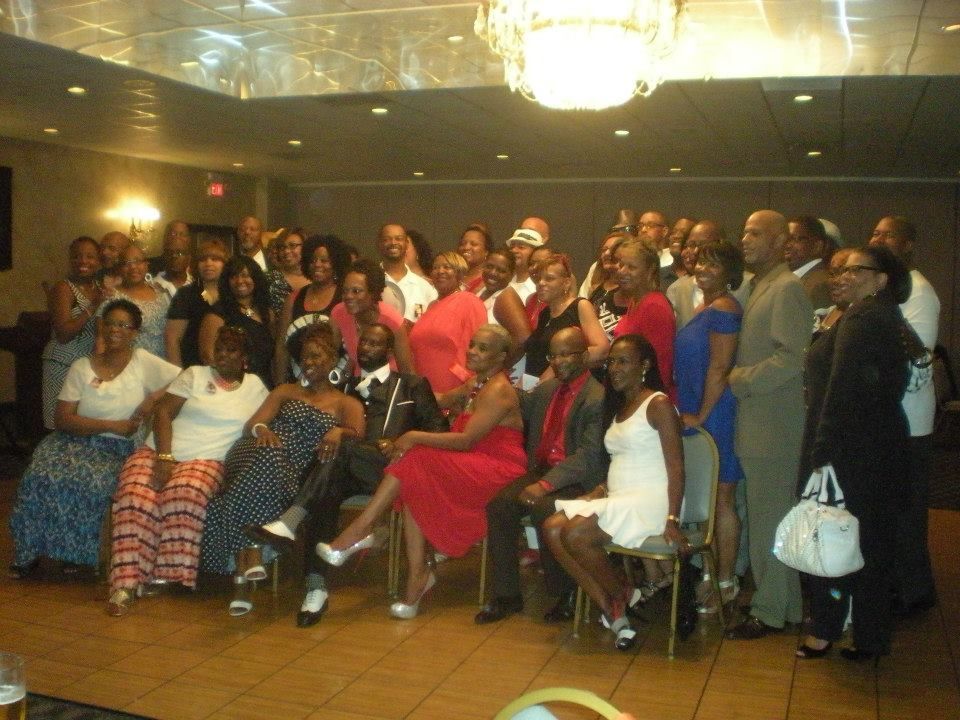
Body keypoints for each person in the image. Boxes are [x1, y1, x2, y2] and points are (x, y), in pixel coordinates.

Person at [317, 325, 527, 619]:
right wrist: (392, 389)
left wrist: (413, 435)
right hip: (473, 462)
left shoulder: (498, 390)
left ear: (501, 357)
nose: (472, 352)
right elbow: (436, 399)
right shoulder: (477, 383)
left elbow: (466, 441)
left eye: (482, 349)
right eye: (473, 345)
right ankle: (416, 576)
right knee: (415, 476)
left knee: (416, 458)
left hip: (497, 469)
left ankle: (364, 530)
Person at [246, 323, 446, 626]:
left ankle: (292, 521)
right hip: (348, 468)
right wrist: (338, 431)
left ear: (389, 352)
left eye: (375, 343)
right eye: (363, 342)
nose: (366, 348)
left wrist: (405, 441)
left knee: (335, 455)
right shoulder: (344, 388)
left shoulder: (410, 385)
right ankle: (316, 589)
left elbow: (438, 431)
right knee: (326, 487)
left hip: (393, 469)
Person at [795, 244, 911, 661]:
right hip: (874, 444)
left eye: (854, 270)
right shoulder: (872, 314)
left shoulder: (863, 316)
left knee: (832, 536)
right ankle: (868, 637)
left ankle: (826, 631)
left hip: (852, 449)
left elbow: (842, 390)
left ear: (882, 279)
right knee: (867, 544)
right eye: (838, 269)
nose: (841, 275)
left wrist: (821, 453)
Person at [200, 323, 364, 615]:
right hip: (257, 450)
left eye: (317, 357)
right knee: (268, 460)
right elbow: (253, 425)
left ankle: (242, 579)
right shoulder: (285, 390)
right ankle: (251, 555)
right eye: (305, 357)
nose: (309, 363)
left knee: (251, 484)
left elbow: (358, 434)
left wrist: (340, 432)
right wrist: (263, 430)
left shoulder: (345, 401)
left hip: (295, 467)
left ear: (333, 362)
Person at [105, 326, 269, 616]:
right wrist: (165, 457)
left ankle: (166, 576)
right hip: (161, 450)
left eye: (231, 350)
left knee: (185, 494)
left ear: (245, 358)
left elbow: (264, 422)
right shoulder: (194, 374)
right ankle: (125, 584)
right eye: (219, 349)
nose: (222, 355)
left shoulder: (256, 387)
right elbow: (163, 412)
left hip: (208, 460)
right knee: (134, 496)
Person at [9, 300, 180, 577]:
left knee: (91, 481)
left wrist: (152, 399)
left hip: (114, 447)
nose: (116, 330)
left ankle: (78, 556)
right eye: (111, 323)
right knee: (40, 475)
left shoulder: (142, 360)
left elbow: (183, 379)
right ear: (102, 327)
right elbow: (63, 418)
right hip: (70, 441)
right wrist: (110, 424)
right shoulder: (81, 366)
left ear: (135, 332)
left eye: (124, 325)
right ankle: (30, 554)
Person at [543, 334, 686, 650]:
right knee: (553, 529)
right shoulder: (621, 407)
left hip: (652, 499)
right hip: (621, 496)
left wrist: (673, 518)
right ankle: (615, 610)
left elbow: (676, 467)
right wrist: (600, 489)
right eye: (611, 362)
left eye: (623, 362)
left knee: (576, 534)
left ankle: (622, 594)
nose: (614, 369)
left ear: (645, 365)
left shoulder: (658, 404)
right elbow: (626, 460)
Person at [477, 327, 607, 625]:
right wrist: (489, 385)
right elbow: (517, 402)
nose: (558, 362)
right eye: (553, 356)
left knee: (545, 509)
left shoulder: (596, 398)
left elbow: (587, 458)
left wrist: (546, 484)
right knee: (499, 506)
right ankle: (507, 594)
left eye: (566, 355)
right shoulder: (549, 389)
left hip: (576, 481)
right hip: (540, 469)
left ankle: (567, 594)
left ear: (584, 356)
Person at [726, 210, 811, 640]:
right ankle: (786, 605)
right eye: (745, 231)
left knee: (769, 522)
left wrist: (740, 379)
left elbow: (793, 358)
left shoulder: (787, 288)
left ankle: (770, 611)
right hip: (759, 425)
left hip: (773, 427)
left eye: (756, 233)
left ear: (781, 243)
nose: (746, 240)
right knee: (767, 519)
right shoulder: (762, 285)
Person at [869, 216, 940, 617]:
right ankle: (897, 585)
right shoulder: (890, 290)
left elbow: (918, 362)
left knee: (907, 510)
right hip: (888, 420)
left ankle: (914, 592)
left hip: (910, 421)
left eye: (887, 235)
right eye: (875, 233)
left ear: (908, 245)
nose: (877, 239)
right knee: (890, 509)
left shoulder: (919, 291)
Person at [673, 240, 746, 612]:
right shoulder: (705, 306)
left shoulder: (725, 309)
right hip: (695, 410)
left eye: (714, 265)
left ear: (730, 272)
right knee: (706, 500)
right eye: (701, 262)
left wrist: (701, 416)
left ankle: (725, 582)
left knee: (722, 499)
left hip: (714, 413)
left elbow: (720, 368)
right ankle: (707, 574)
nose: (703, 269)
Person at [41, 236, 102, 430]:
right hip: (63, 363)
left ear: (98, 261)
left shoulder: (100, 289)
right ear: (70, 260)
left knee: (84, 420)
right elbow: (63, 333)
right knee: (59, 423)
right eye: (77, 256)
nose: (83, 261)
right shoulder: (64, 288)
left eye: (90, 256)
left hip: (88, 365)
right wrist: (92, 307)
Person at [275, 234, 352, 384]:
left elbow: (352, 344)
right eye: (312, 260)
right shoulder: (294, 298)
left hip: (336, 384)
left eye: (324, 261)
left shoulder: (344, 297)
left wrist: (341, 379)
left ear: (336, 264)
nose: (317, 265)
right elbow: (281, 346)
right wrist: (280, 384)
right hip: (297, 383)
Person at [408, 251, 487, 393]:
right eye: (436, 268)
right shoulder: (431, 305)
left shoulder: (469, 301)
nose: (440, 271)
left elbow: (477, 349)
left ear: (460, 273)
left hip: (454, 387)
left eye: (447, 267)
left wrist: (464, 388)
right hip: (422, 388)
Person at [523, 254, 608, 382]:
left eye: (549, 279)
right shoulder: (545, 313)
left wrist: (558, 365)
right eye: (539, 278)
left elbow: (602, 349)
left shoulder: (580, 306)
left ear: (566, 282)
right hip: (536, 388)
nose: (541, 283)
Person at [611, 240, 676, 399]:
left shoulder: (654, 306)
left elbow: (660, 368)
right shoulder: (635, 300)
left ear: (650, 270)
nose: (622, 271)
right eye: (621, 265)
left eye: (631, 267)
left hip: (647, 401)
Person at [330, 258, 415, 375]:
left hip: (388, 385)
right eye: (345, 290)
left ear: (373, 292)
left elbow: (407, 371)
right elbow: (329, 356)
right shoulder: (338, 313)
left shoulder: (392, 320)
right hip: (358, 383)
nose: (348, 296)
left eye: (356, 291)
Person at [198, 255, 273, 387]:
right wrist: (232, 386)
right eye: (234, 276)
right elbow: (208, 356)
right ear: (227, 281)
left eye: (245, 275)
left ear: (255, 279)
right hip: (232, 387)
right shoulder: (217, 313)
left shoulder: (267, 313)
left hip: (264, 386)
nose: (240, 281)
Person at [165, 238, 228, 368]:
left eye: (215, 259)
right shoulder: (187, 294)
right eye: (203, 260)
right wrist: (179, 375)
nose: (208, 263)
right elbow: (172, 339)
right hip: (193, 369)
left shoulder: (232, 294)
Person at [103, 244, 170, 358]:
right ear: (120, 268)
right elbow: (102, 339)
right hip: (128, 366)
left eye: (138, 261)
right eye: (127, 263)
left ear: (146, 265)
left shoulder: (161, 293)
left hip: (161, 366)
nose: (133, 267)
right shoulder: (111, 297)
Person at [378, 223, 437, 323]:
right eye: (387, 239)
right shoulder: (368, 281)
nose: (393, 242)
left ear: (406, 244)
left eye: (398, 238)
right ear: (379, 244)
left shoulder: (425, 288)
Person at [476, 248, 531, 355]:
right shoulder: (480, 291)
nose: (493, 273)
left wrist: (501, 366)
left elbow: (523, 339)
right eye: (489, 266)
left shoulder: (506, 297)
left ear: (512, 274)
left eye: (501, 271)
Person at [588, 233, 630, 340]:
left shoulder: (628, 289)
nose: (607, 253)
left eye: (612, 250)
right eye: (604, 249)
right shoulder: (595, 288)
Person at [785, 216, 832, 310]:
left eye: (797, 239)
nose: (788, 245)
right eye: (786, 240)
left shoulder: (821, 285)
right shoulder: (792, 279)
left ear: (817, 246)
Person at [265, 228, 310, 316]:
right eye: (282, 247)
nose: (286, 251)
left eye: (292, 245)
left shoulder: (317, 279)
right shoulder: (269, 279)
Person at [812, 248, 854, 339]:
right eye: (832, 274)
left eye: (842, 273)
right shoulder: (819, 315)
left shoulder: (860, 319)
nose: (835, 280)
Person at [152, 221, 192, 297]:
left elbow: (211, 304)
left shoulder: (197, 285)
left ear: (188, 257)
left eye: (180, 253)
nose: (175, 257)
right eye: (170, 253)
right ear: (164, 255)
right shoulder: (152, 286)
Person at [506, 227, 545, 303]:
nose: (514, 250)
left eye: (521, 247)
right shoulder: (504, 281)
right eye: (512, 247)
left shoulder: (540, 287)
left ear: (535, 252)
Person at [458, 224, 494, 293]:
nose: (466, 247)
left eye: (473, 244)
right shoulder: (454, 276)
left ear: (486, 251)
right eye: (463, 244)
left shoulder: (488, 280)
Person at [96, 231, 130, 295]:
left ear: (125, 252)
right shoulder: (95, 277)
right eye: (102, 247)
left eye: (112, 249)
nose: (104, 252)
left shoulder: (134, 277)